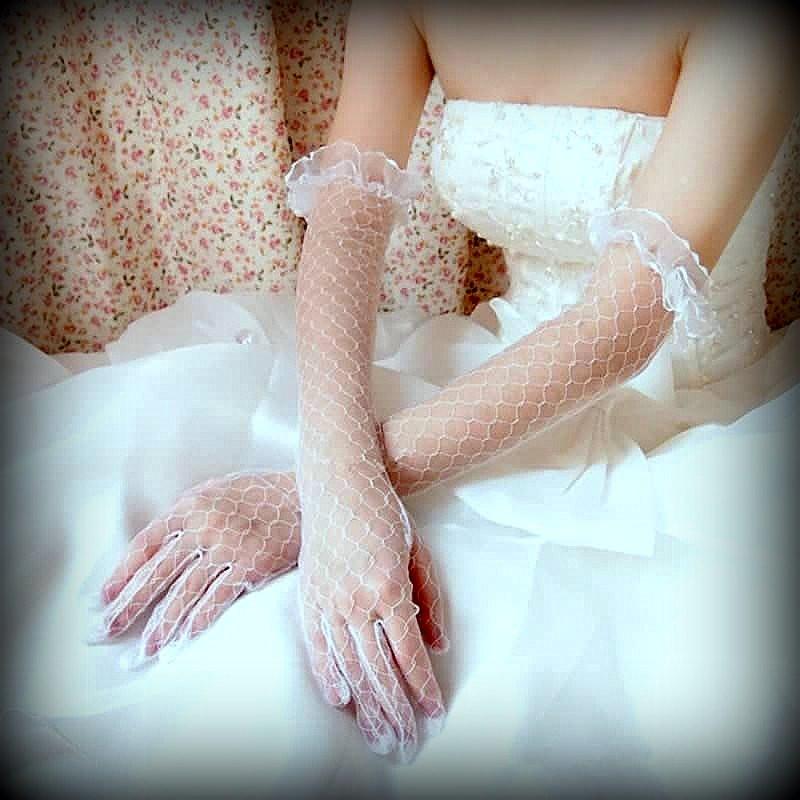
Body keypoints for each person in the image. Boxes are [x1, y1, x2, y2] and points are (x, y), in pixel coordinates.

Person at [4, 2, 799, 796]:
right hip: (494, 358)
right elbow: (348, 226)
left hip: (675, 413)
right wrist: (336, 471)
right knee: (152, 455)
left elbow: (623, 326)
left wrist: (307, 497)